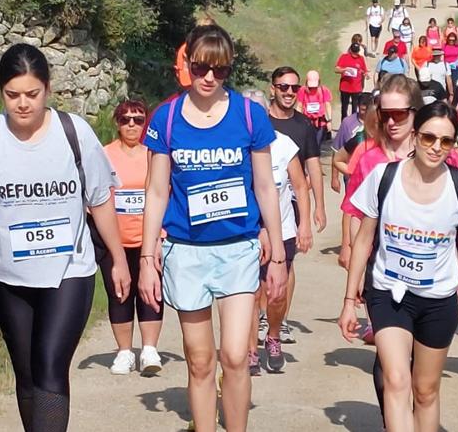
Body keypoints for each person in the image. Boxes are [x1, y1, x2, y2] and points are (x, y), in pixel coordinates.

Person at [0, 44, 130, 431]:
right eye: (13, 95)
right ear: (0, 93)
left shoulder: (73, 132)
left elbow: (100, 200)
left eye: (32, 94)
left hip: (69, 272)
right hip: (8, 278)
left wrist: (116, 258)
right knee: (27, 373)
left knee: (49, 366)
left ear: (47, 89)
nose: (23, 104)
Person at [138, 24, 286, 432]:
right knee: (200, 360)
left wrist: (277, 252)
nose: (209, 78)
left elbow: (265, 186)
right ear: (187, 65)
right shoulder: (166, 119)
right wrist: (147, 259)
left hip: (238, 248)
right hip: (185, 253)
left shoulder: (248, 114)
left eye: (220, 71)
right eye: (202, 68)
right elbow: (155, 191)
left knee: (236, 355)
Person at [339, 101, 458, 432]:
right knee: (395, 380)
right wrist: (349, 301)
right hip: (389, 294)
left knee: (425, 391)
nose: (436, 147)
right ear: (415, 135)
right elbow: (363, 241)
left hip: (438, 300)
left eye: (446, 141)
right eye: (429, 138)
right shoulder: (383, 178)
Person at [241, 90, 313, 375]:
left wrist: (305, 223)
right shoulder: (235, 146)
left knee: (275, 295)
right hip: (246, 232)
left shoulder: (283, 145)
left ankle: (272, 336)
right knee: (248, 293)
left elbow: (300, 186)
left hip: (281, 231)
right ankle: (249, 351)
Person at [99, 100, 165, 376]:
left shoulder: (154, 154)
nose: (131, 125)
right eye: (125, 119)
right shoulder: (104, 155)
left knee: (149, 293)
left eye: (138, 120)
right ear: (117, 122)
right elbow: (97, 197)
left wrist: (160, 236)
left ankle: (149, 349)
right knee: (120, 293)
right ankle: (124, 351)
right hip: (115, 239)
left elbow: (164, 192)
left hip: (147, 238)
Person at [268, 67, 328, 344]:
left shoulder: (304, 126)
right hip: (260, 201)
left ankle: (281, 319)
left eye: (294, 88)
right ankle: (259, 318)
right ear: (273, 89)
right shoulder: (260, 121)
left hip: (290, 200)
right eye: (283, 87)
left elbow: (313, 166)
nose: (289, 92)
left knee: (286, 264)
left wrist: (319, 206)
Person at [331, 92, 372, 193]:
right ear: (358, 106)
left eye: (368, 108)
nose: (365, 111)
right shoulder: (347, 123)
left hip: (371, 174)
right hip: (351, 174)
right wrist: (334, 178)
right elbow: (336, 150)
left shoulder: (377, 123)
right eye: (363, 108)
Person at [297, 70, 333, 147]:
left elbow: (328, 105)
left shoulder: (324, 91)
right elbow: (299, 106)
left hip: (320, 122)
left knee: (316, 145)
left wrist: (329, 121)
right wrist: (298, 121)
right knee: (308, 144)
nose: (313, 88)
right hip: (307, 121)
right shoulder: (302, 91)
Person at [335, 42, 370, 121]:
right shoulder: (344, 57)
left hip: (356, 88)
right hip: (345, 87)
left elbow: (365, 71)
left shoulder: (361, 58)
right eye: (354, 52)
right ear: (350, 50)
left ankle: (353, 124)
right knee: (344, 108)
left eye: (356, 52)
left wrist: (366, 75)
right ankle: (344, 125)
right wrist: (344, 70)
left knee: (355, 109)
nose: (355, 54)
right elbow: (336, 69)